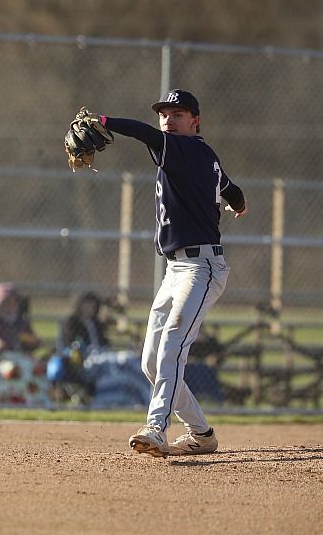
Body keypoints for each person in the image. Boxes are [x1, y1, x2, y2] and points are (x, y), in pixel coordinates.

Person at [93, 89, 247, 457]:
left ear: (195, 121)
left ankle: (156, 427)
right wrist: (239, 204)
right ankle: (201, 433)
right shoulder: (205, 156)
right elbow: (231, 189)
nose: (168, 120)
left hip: (201, 268)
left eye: (178, 114)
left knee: (172, 346)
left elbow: (144, 134)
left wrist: (103, 122)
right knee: (151, 360)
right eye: (165, 113)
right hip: (175, 269)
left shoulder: (182, 148)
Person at [0, 282, 51, 407]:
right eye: (7, 302)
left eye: (13, 302)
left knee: (35, 369)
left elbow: (32, 343)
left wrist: (33, 342)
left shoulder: (20, 320)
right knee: (13, 370)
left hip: (16, 357)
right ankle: (3, 404)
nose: (11, 306)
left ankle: (34, 404)